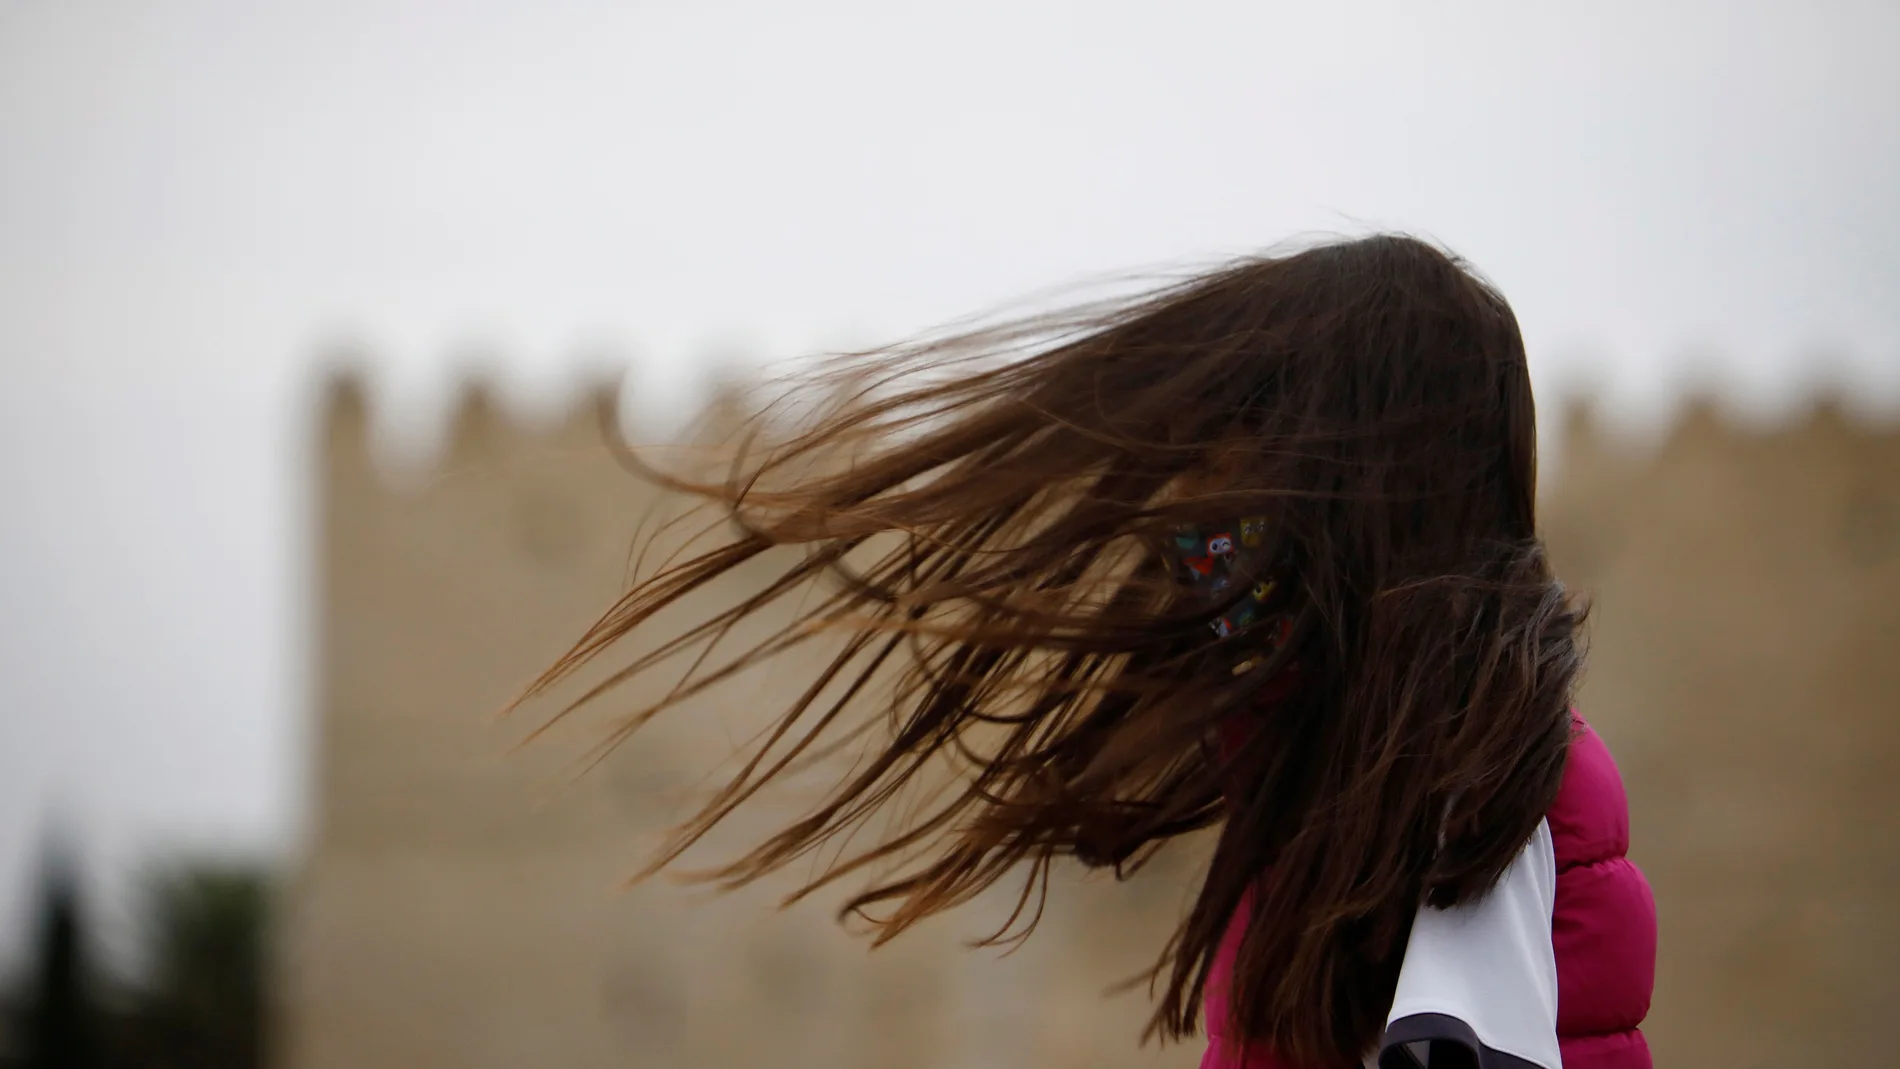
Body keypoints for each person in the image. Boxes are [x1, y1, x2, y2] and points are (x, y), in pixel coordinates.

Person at [516, 234, 1656, 1068]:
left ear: (1367, 493)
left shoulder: (1481, 789)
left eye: (1251, 470)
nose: (1205, 527)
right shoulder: (1343, 773)